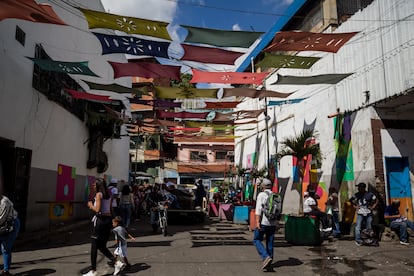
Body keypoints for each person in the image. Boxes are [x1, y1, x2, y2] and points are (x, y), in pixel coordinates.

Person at [83, 178, 116, 276]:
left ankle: (93, 271)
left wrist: (90, 205)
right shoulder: (109, 195)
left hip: (100, 221)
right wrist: (113, 220)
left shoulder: (98, 195)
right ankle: (116, 261)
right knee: (101, 246)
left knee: (94, 246)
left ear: (98, 186)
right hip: (108, 220)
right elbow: (110, 209)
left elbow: (97, 210)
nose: (93, 186)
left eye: (94, 185)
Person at [253, 178, 277, 272]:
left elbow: (258, 210)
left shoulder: (261, 195)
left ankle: (265, 256)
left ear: (263, 186)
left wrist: (257, 222)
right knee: (270, 241)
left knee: (257, 239)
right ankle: (269, 262)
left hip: (263, 222)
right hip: (273, 222)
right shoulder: (275, 195)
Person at [0, 194, 20, 276]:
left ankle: (6, 271)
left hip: (9, 225)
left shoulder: (4, 202)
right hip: (3, 225)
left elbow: (1, 219)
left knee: (5, 248)